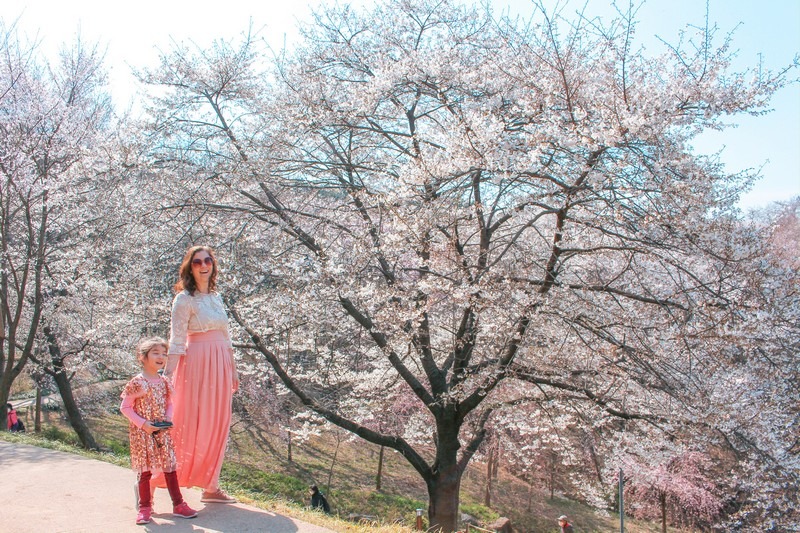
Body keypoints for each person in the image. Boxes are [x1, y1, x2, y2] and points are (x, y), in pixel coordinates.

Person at [162, 245, 239, 504]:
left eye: (208, 260)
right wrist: (166, 378)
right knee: (192, 420)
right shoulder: (184, 299)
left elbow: (227, 338)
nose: (204, 265)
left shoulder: (216, 298)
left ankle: (211, 485)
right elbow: (176, 340)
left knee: (219, 421)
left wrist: (233, 370)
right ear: (189, 267)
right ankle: (162, 477)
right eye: (197, 262)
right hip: (196, 364)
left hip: (220, 364)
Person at [120, 337, 198, 525]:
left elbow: (170, 402)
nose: (161, 357)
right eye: (156, 353)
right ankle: (145, 507)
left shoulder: (163, 381)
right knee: (145, 471)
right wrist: (143, 423)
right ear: (143, 357)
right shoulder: (137, 382)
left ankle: (178, 504)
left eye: (164, 354)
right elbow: (125, 407)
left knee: (170, 468)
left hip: (162, 433)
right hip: (144, 434)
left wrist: (168, 418)